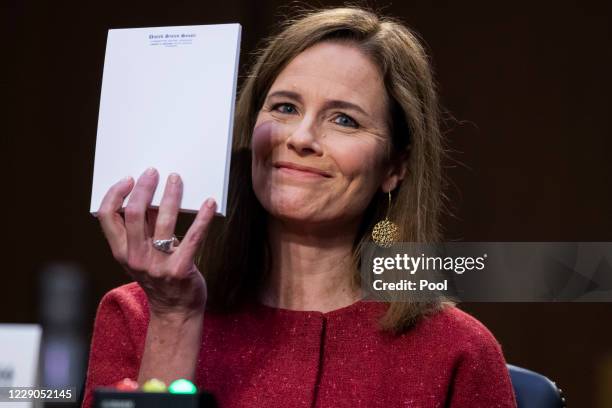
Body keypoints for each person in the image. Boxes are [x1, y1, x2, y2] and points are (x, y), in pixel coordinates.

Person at [83, 6, 517, 408]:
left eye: (344, 119)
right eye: (285, 107)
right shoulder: (137, 316)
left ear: (394, 167)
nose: (301, 138)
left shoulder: (458, 352)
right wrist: (174, 319)